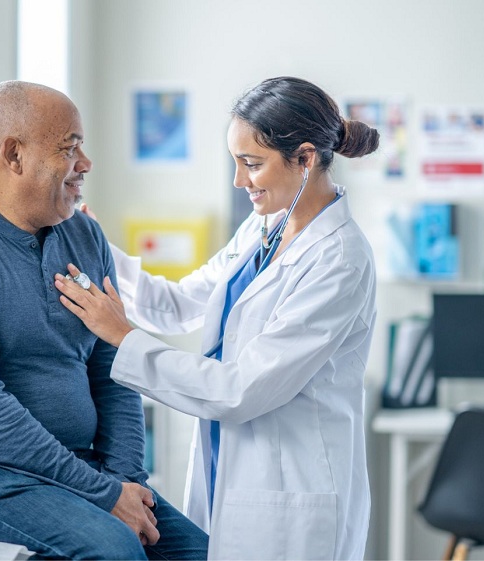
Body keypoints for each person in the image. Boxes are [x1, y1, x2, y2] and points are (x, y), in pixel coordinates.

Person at [55, 76, 379, 560]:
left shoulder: (340, 259)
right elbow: (178, 304)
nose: (239, 181)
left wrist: (123, 337)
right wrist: (98, 247)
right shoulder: (264, 226)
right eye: (236, 162)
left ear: (305, 158)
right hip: (231, 467)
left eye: (252, 164)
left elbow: (241, 389)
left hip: (294, 487)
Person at [0, 80, 208, 560]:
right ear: (14, 155)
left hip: (72, 465)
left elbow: (113, 370)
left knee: (202, 553)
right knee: (114, 549)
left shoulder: (84, 236)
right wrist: (102, 494)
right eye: (69, 148)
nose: (86, 163)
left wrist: (126, 481)